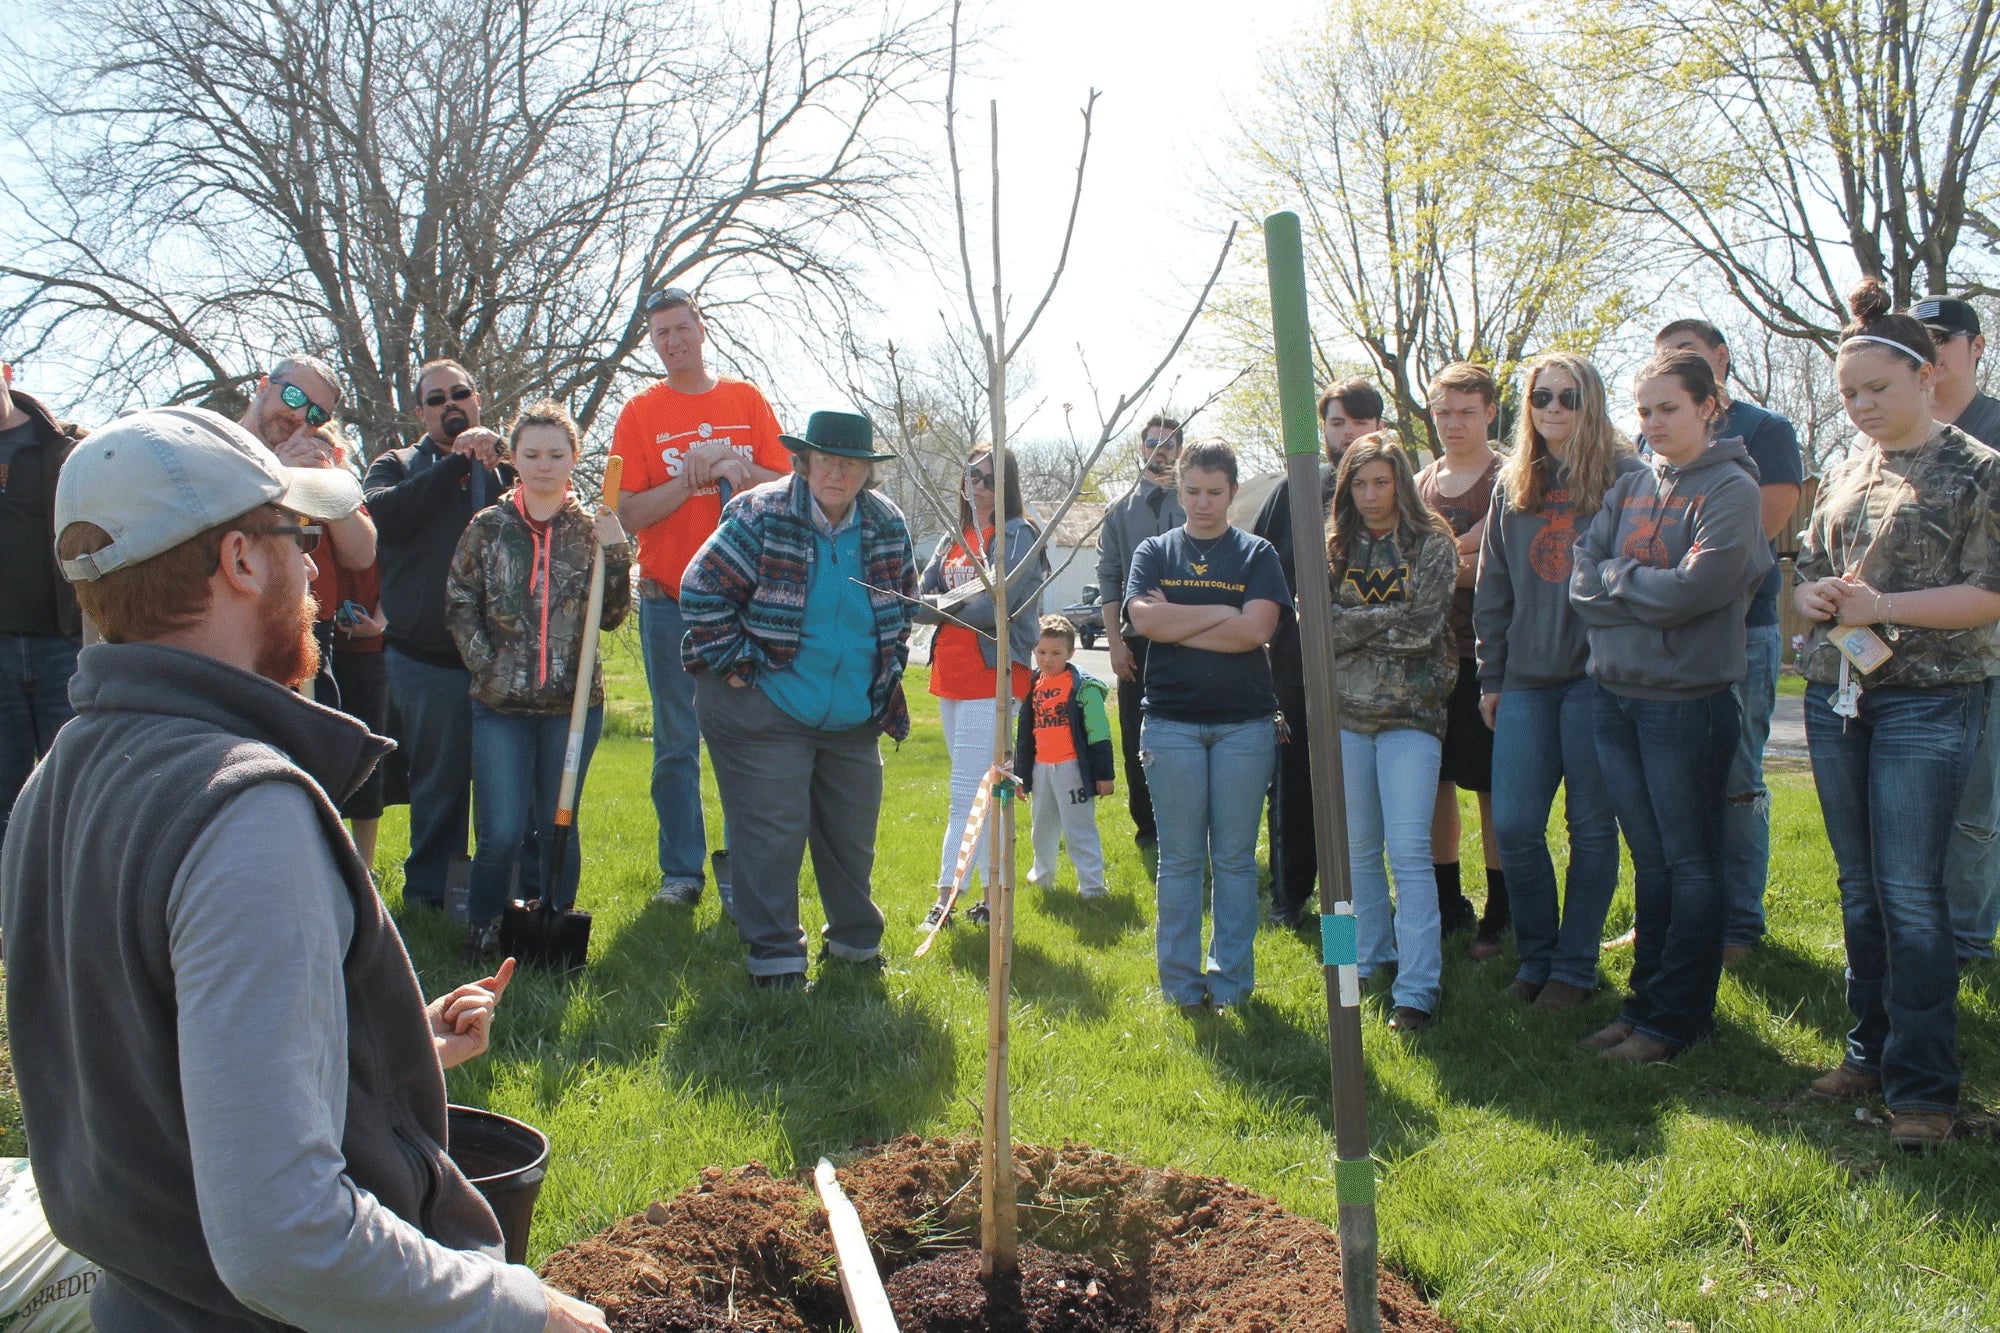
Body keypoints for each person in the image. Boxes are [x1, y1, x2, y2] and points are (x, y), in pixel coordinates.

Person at [1, 405, 606, 1330]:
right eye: (297, 536)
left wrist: (382, 1045)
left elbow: (145, 1068)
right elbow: (284, 1238)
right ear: (241, 561)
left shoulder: (58, 779)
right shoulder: (242, 812)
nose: (317, 568)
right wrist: (518, 1310)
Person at [1792, 278, 2000, 1151]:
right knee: (1859, 889)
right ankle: (1865, 1054)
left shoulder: (1979, 472)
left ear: (1925, 376)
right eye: (1848, 393)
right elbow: (1807, 565)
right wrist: (1813, 596)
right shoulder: (1843, 470)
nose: (1862, 405)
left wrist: (1883, 606)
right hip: (1840, 698)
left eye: (1878, 388)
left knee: (1913, 897)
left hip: (1931, 700)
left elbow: (1991, 597)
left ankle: (1924, 1089)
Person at [1570, 349, 1772, 1063]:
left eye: (1669, 408)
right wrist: (1633, 581)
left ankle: (1679, 1019)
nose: (1653, 422)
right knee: (1650, 864)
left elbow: (1700, 590)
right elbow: (1580, 580)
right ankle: (1643, 1004)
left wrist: (1618, 580)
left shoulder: (1731, 489)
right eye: (1645, 409)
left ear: (1708, 406)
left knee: (1691, 865)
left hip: (1686, 705)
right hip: (1614, 697)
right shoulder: (1629, 483)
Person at [680, 410, 915, 988]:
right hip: (764, 702)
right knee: (772, 834)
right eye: (825, 459)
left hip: (852, 709)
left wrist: (883, 678)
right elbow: (700, 588)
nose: (836, 472)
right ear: (804, 461)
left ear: (867, 472)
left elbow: (904, 605)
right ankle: (776, 960)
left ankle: (856, 947)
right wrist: (739, 668)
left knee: (851, 835)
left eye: (851, 463)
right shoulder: (760, 512)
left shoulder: (886, 524)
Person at [1474, 353, 1644, 1011]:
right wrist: (1491, 674)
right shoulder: (1511, 483)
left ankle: (1574, 970)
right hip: (1524, 681)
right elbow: (1492, 588)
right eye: (1540, 397)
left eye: (1567, 397)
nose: (1552, 409)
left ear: (1591, 402)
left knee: (1591, 829)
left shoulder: (1627, 479)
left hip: (1598, 681)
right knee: (1515, 824)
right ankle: (1537, 956)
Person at [612, 287, 789, 908]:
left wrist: (737, 471)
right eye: (661, 334)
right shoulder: (639, 413)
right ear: (653, 343)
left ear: (701, 329)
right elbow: (626, 512)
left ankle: (749, 866)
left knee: (748, 734)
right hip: (667, 601)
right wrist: (683, 481)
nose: (673, 341)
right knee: (675, 740)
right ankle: (681, 873)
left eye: (681, 328)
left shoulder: (745, 401)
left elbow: (790, 483)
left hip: (745, 600)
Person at [447, 402, 632, 959]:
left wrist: (617, 552)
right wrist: (488, 665)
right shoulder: (488, 527)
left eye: (556, 454)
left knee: (559, 824)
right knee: (501, 831)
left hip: (572, 705)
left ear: (574, 458)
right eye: (531, 454)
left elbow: (612, 614)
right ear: (514, 458)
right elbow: (459, 602)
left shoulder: (591, 528)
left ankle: (549, 924)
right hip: (500, 704)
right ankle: (484, 925)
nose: (544, 465)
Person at [1653, 320, 1804, 963]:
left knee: (1738, 778)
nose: (1678, 365)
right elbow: (1637, 533)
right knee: (1674, 783)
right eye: (1666, 359)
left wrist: (1665, 578)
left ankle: (1739, 925)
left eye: (1690, 356)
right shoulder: (1651, 440)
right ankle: (1680, 919)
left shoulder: (1765, 433)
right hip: (1668, 639)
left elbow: (1752, 538)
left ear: (1720, 361)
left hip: (1744, 630)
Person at [1127, 442, 1287, 1012]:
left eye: (1214, 493)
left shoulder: (1255, 553)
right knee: (1180, 859)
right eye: (1192, 491)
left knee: (1237, 860)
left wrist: (1179, 622)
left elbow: (1256, 632)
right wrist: (1224, 613)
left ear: (1233, 493)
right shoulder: (1155, 550)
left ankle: (1231, 981)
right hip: (1170, 723)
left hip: (1244, 725)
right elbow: (1143, 619)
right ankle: (1179, 983)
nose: (1202, 503)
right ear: (1179, 489)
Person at [363, 359, 519, 910]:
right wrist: (454, 464)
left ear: (479, 397)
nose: (450, 404)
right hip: (426, 661)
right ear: (420, 411)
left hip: (506, 662)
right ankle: (431, 898)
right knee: (439, 787)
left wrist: (495, 461)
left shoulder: (511, 468)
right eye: (436, 399)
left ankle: (506, 898)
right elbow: (386, 517)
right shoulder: (399, 464)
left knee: (508, 790)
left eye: (461, 393)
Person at [1325, 435, 1458, 1031]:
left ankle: (1418, 988)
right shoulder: (1331, 546)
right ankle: (1362, 963)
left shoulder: (1432, 544)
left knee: (1408, 852)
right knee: (1353, 853)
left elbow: (1423, 629)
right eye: (1360, 483)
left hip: (1412, 714)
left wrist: (1352, 627)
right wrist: (1380, 619)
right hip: (1344, 717)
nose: (1371, 495)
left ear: (1401, 482)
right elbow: (1317, 631)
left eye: (1382, 481)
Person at [1251, 378, 1387, 926]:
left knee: (1362, 788)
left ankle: (1359, 902)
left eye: (1358, 421)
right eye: (1336, 422)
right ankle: (1291, 897)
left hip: (1374, 670)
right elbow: (1260, 564)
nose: (1347, 432)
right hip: (1297, 667)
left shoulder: (1391, 487)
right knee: (1295, 779)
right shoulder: (1297, 489)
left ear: (1379, 425)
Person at [915, 444, 1045, 926]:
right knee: (986, 793)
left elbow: (997, 604)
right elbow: (918, 598)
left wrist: (945, 605)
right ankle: (992, 903)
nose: (979, 486)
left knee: (965, 791)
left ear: (1006, 483)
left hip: (991, 677)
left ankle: (945, 899)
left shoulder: (1019, 534)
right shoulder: (957, 533)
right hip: (950, 675)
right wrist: (950, 603)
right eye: (972, 476)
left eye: (990, 478)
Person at [1914, 296, 2000, 964]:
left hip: (1988, 650)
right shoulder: (1897, 431)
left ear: (1976, 346)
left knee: (1977, 807)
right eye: (1919, 337)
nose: (1932, 349)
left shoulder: (1995, 427)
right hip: (1907, 656)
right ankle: (1913, 935)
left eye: (1944, 338)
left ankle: (1967, 943)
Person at [1413, 363, 1507, 955]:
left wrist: (1439, 567)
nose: (1453, 423)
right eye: (1443, 412)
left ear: (1490, 412)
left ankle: (1502, 909)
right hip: (1425, 656)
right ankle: (1448, 902)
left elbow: (1505, 562)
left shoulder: (1511, 477)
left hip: (1489, 653)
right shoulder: (1421, 483)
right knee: (1435, 781)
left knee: (1490, 785)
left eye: (1466, 411)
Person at [0, 363, 86, 846]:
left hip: (65, 646)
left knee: (72, 795)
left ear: (7, 371)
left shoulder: (71, 448)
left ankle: (67, 918)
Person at [1096, 413, 1186, 850]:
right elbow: (1109, 579)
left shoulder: (1193, 503)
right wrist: (1114, 643)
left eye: (1169, 444)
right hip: (1136, 643)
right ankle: (1148, 829)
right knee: (1138, 736)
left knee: (1187, 731)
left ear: (1180, 450)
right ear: (1140, 447)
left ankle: (1189, 824)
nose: (1160, 450)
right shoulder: (1119, 511)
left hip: (1190, 638)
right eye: (1153, 442)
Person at [1015, 614, 1116, 899]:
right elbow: (1025, 736)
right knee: (1041, 828)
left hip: (1072, 768)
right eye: (1042, 652)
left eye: (1056, 653)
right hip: (1041, 768)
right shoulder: (1032, 685)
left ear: (1071, 653)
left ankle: (1093, 888)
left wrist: (1104, 775)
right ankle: (1042, 879)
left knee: (1078, 829)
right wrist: (1022, 775)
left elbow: (1099, 733)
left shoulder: (1083, 686)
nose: (1047, 660)